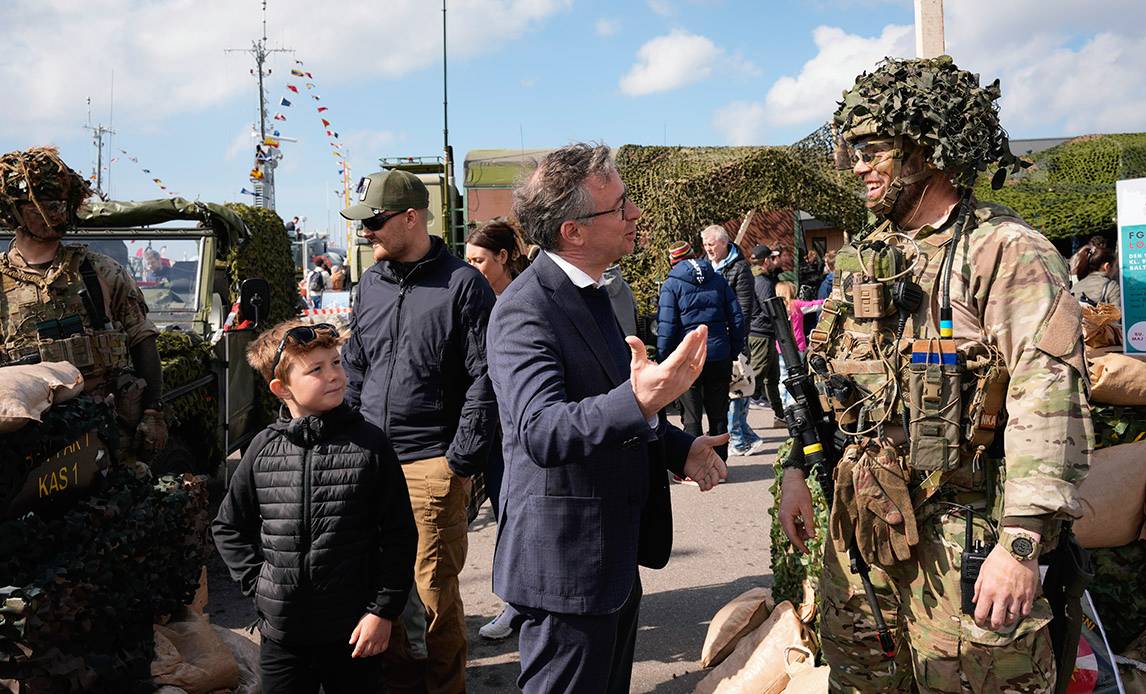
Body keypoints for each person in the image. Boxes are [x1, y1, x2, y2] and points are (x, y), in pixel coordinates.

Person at [778, 56, 1091, 691]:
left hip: (963, 531)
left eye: (874, 149)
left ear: (928, 151)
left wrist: (1022, 543)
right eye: (853, 151)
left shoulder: (1003, 251)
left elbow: (1049, 396)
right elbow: (831, 384)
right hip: (864, 524)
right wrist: (795, 466)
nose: (858, 165)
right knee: (861, 680)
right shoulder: (868, 256)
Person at [488, 142, 728, 693]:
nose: (635, 214)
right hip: (565, 568)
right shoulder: (525, 309)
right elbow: (541, 430)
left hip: (608, 559)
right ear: (573, 231)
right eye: (619, 207)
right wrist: (641, 401)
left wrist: (677, 447)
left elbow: (605, 402)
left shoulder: (595, 292)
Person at [340, 168, 496, 694]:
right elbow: (356, 365)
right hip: (372, 459)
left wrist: (459, 459)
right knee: (380, 591)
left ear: (412, 217)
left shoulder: (462, 284)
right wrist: (352, 438)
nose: (367, 233)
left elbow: (486, 375)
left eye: (376, 222)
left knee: (432, 596)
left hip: (432, 461)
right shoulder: (370, 283)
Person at [212, 320, 417, 694]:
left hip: (355, 631)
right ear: (281, 388)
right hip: (284, 636)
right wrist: (260, 585)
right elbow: (228, 526)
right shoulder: (262, 448)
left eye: (336, 363)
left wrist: (383, 611)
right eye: (316, 369)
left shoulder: (370, 445)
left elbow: (400, 535)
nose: (334, 375)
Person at [0, 146, 167, 466]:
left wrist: (152, 412)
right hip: (26, 443)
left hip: (105, 435)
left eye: (59, 204)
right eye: (41, 204)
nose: (54, 213)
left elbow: (143, 342)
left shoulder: (100, 272)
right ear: (14, 213)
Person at [464, 219, 527, 641]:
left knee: (516, 518)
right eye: (467, 259)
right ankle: (520, 602)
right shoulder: (476, 298)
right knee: (505, 517)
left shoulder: (523, 300)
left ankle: (518, 605)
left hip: (518, 434)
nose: (471, 267)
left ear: (502, 258)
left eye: (479, 260)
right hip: (490, 432)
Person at [658, 240, 745, 463]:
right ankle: (720, 464)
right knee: (718, 414)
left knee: (691, 415)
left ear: (672, 262)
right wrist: (733, 350)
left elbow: (667, 327)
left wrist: (664, 358)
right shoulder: (717, 278)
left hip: (689, 358)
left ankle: (695, 468)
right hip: (719, 354)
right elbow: (736, 317)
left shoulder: (672, 285)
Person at [701, 225, 764, 456]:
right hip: (712, 336)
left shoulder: (740, 268)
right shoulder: (704, 265)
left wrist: (737, 339)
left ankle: (737, 436)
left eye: (712, 244)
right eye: (705, 245)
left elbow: (744, 307)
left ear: (724, 243)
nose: (708, 249)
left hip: (733, 336)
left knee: (738, 385)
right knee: (724, 390)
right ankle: (744, 435)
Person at [748, 244, 786, 425]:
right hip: (761, 334)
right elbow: (768, 306)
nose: (774, 262)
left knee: (773, 378)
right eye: (772, 258)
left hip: (764, 333)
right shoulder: (762, 281)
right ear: (765, 261)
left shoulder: (757, 278)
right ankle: (732, 422)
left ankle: (780, 416)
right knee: (754, 378)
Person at [465, 219, 525, 297]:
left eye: (479, 261)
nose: (471, 268)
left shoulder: (526, 294)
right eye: (469, 261)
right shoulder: (470, 296)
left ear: (502, 256)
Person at [1071, 242, 1121, 307]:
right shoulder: (1111, 286)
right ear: (1107, 267)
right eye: (1116, 266)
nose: (1117, 270)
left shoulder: (1075, 287)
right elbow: (1117, 314)